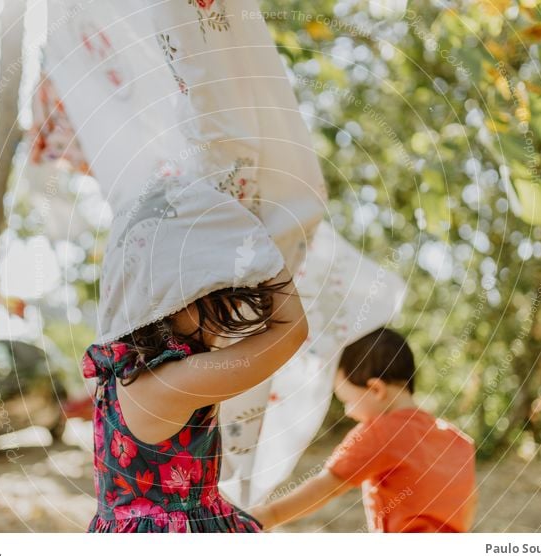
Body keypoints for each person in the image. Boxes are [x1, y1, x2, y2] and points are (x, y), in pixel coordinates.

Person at [81, 182, 308, 533]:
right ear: (175, 301)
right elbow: (291, 330)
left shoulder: (120, 372)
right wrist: (258, 247)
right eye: (216, 298)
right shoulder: (171, 384)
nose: (227, 316)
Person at [249, 327, 478, 533]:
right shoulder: (456, 439)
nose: (348, 412)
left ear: (375, 389)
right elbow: (468, 505)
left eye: (347, 400)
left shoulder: (380, 431)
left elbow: (326, 488)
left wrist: (270, 515)